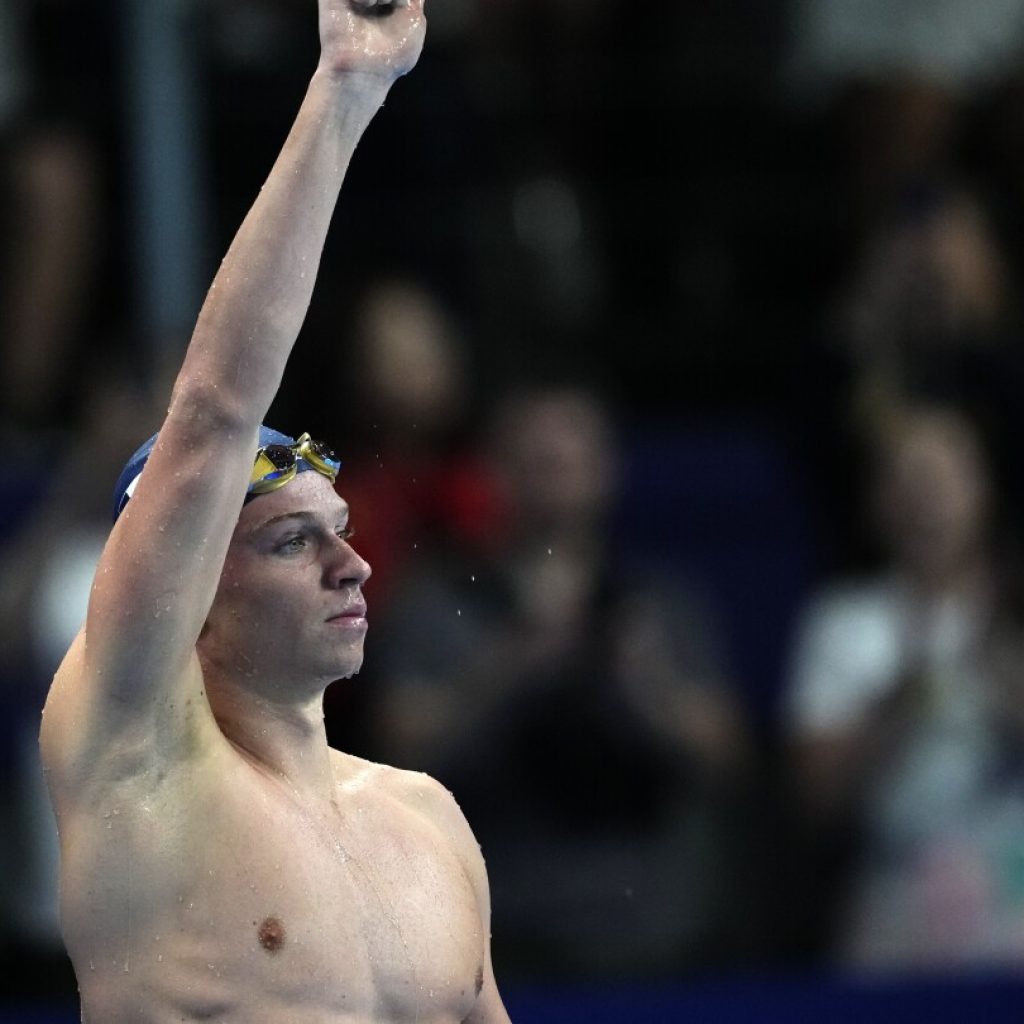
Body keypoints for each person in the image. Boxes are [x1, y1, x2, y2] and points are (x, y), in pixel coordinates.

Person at [38, 2, 511, 1021]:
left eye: (338, 527)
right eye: (294, 540)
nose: (354, 564)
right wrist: (347, 89)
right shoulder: (139, 767)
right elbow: (213, 412)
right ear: (188, 591)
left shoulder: (424, 821)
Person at [781, 400, 1024, 970]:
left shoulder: (1016, 616)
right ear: (877, 502)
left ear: (983, 490)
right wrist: (894, 709)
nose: (927, 502)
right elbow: (816, 801)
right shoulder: (843, 622)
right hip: (895, 891)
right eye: (908, 482)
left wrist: (1006, 680)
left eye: (944, 479)